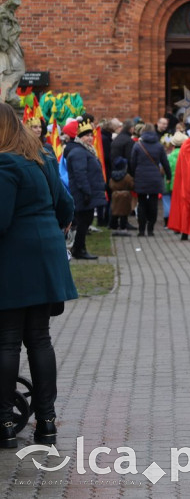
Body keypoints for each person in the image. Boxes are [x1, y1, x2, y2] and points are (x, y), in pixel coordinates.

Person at [0, 103, 77, 448]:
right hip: (46, 259)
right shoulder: (42, 157)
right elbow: (66, 207)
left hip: (15, 261)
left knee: (8, 341)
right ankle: (46, 421)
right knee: (40, 340)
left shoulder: (4, 163)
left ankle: (3, 421)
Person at [62, 120, 107, 260]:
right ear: (79, 137)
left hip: (87, 192)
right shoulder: (78, 152)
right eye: (86, 135)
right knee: (83, 222)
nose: (89, 138)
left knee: (85, 221)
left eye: (90, 135)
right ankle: (79, 250)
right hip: (83, 193)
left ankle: (79, 248)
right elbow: (80, 174)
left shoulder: (84, 150)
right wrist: (86, 192)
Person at [129, 123, 171, 237]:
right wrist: (169, 176)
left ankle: (141, 230)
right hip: (155, 177)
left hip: (141, 176)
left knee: (141, 203)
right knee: (153, 203)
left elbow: (132, 163)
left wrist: (134, 174)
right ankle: (151, 229)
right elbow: (165, 163)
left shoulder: (138, 145)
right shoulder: (159, 146)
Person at [164, 130, 186, 227]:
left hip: (172, 182)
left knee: (171, 202)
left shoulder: (170, 156)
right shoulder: (186, 154)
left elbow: (167, 171)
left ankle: (170, 221)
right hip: (184, 183)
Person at [107, 156, 134, 236]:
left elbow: (110, 185)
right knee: (124, 213)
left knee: (115, 212)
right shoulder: (127, 176)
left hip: (115, 195)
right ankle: (123, 228)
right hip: (125, 196)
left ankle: (114, 227)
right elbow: (132, 185)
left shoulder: (112, 176)